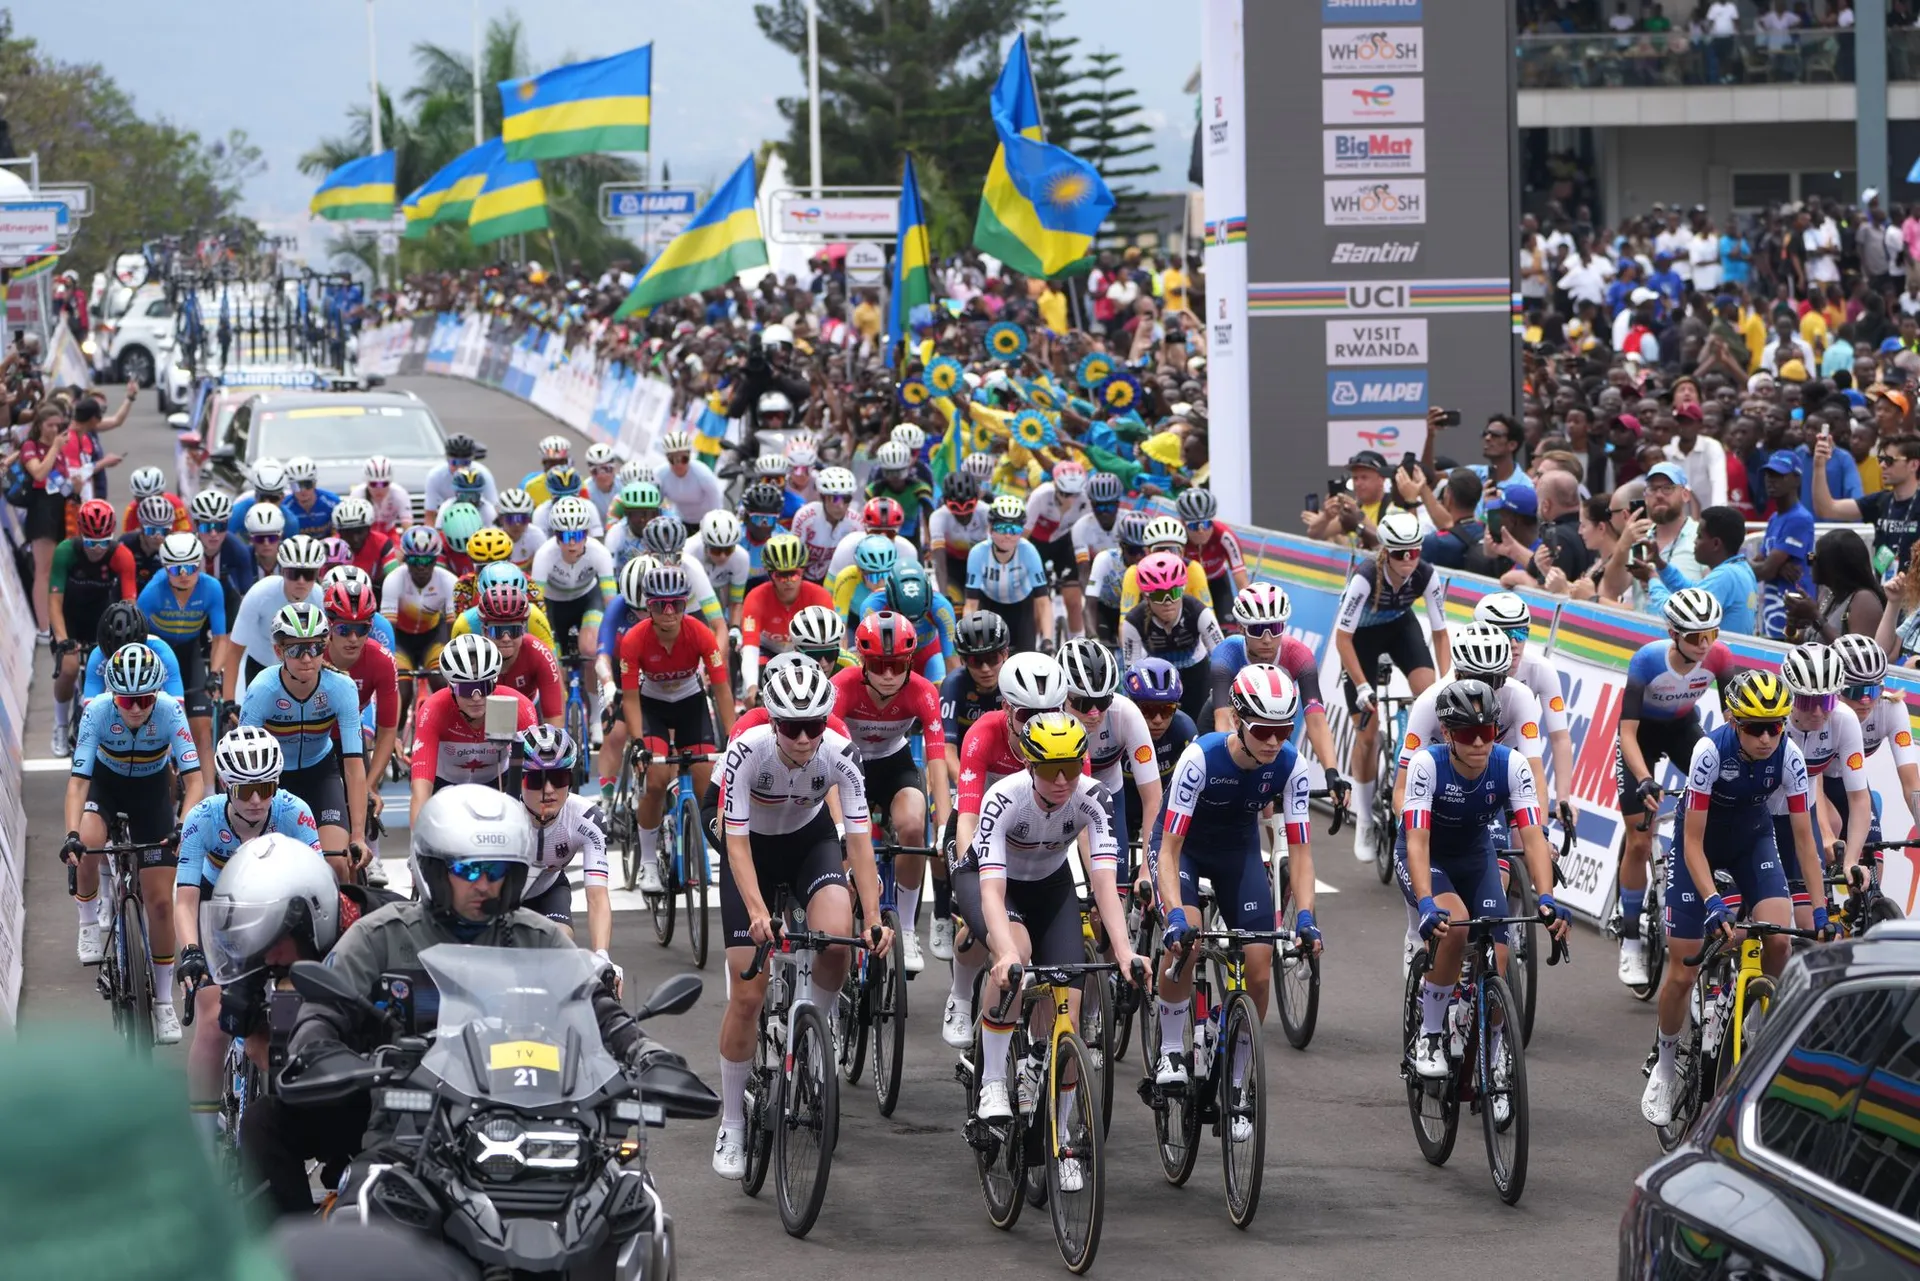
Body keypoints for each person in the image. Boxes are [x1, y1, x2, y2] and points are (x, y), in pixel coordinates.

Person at [266, 786, 657, 1216]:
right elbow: (325, 1006)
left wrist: (642, 1049)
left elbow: (595, 1003)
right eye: (468, 871)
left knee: (630, 1209)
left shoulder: (537, 936)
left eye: (497, 871)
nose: (485, 885)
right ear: (433, 870)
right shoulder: (381, 937)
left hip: (531, 1124)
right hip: (411, 1133)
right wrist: (318, 1047)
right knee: (355, 1210)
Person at [711, 660, 888, 1180]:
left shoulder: (840, 752)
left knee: (837, 938)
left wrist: (872, 917)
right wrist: (758, 911)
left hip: (809, 842)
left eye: (814, 724)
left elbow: (860, 841)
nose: (805, 737)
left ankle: (812, 1034)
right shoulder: (747, 750)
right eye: (792, 726)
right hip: (751, 849)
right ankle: (732, 1121)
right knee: (748, 993)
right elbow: (735, 844)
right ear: (773, 722)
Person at [1640, 670, 1831, 1129]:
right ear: (1733, 720)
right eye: (1755, 727)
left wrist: (1823, 908)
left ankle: (1757, 1018)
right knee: (1683, 970)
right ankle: (1664, 1066)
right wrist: (1711, 900)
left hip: (1752, 840)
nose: (1767, 737)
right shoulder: (1709, 751)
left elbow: (1805, 840)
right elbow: (1691, 843)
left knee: (1780, 939)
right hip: (1700, 844)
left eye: (1775, 726)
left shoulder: (1789, 755)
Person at [965, 710, 1136, 1189]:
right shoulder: (1005, 798)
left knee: (1069, 1014)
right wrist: (1004, 953)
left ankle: (1062, 1137)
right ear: (1028, 764)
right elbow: (992, 893)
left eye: (1072, 767)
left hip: (1050, 885)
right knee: (1017, 956)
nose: (1062, 780)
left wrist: (1125, 954)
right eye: (1050, 769)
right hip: (991, 884)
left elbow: (1104, 886)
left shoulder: (1093, 798)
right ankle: (992, 1081)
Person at [1151, 666, 1321, 1094]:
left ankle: (1240, 1077)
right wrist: (1174, 915)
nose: (1273, 742)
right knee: (1186, 941)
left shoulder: (1291, 765)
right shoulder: (1201, 757)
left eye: (1283, 731)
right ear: (1240, 721)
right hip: (1184, 849)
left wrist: (1305, 916)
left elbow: (1301, 853)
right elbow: (1168, 850)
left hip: (1237, 852)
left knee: (1259, 971)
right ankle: (1170, 1046)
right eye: (1263, 730)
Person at [1399, 680, 1567, 1084]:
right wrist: (1425, 902)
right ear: (1447, 734)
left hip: (1476, 856)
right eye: (1467, 733)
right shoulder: (1426, 765)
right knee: (1455, 925)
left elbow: (1532, 838)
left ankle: (1495, 1049)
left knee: (1499, 954)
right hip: (1427, 856)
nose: (1479, 742)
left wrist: (1545, 897)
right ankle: (1431, 1033)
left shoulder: (1511, 765)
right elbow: (1417, 842)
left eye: (1487, 731)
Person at [172, 727, 322, 1139]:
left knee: (291, 1014)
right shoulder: (202, 818)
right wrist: (190, 951)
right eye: (245, 790)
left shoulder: (294, 812)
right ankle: (202, 1140)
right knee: (212, 1019)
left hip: (274, 908)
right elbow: (185, 901)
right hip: (216, 908)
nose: (256, 800)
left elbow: (319, 887)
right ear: (226, 785)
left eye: (266, 788)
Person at [61, 643, 207, 1043]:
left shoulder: (170, 712)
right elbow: (78, 784)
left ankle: (162, 1002)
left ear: (157, 694)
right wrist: (71, 834)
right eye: (128, 700)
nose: (137, 708)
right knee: (88, 845)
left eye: (145, 699)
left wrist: (182, 825)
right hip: (105, 788)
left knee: (160, 903)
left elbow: (194, 781)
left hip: (151, 794)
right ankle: (88, 921)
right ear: (114, 695)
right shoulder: (97, 711)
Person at [1613, 588, 1735, 989]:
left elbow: (1735, 719)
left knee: (1724, 790)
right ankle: (1631, 938)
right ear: (1673, 633)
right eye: (1695, 637)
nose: (1705, 645)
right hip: (1641, 738)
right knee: (1639, 840)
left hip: (1683, 729)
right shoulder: (1647, 660)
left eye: (1711, 634)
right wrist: (1644, 779)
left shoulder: (1719, 656)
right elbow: (1627, 733)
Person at [831, 611, 951, 972]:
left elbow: (936, 760)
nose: (888, 675)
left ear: (910, 662)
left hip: (893, 763)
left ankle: (909, 928)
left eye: (897, 665)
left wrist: (943, 826)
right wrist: (840, 827)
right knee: (848, 841)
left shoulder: (923, 692)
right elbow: (828, 757)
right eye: (878, 665)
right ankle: (845, 933)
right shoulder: (841, 686)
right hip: (846, 766)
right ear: (862, 661)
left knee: (913, 826)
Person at [1332, 511, 1451, 853]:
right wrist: (1362, 685)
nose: (1408, 560)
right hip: (1360, 640)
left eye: (1415, 552)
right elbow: (1342, 638)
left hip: (1400, 628)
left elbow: (1440, 634)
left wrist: (1446, 682)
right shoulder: (1366, 577)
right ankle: (1365, 820)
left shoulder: (1426, 574)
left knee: (1430, 694)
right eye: (1400, 553)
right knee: (1368, 734)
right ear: (1386, 552)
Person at [619, 563, 734, 893]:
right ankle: (648, 863)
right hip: (651, 705)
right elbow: (630, 698)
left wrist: (733, 735)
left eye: (677, 604)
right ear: (648, 607)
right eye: (660, 605)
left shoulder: (700, 634)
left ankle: (711, 848)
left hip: (690, 704)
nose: (669, 612)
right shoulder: (634, 639)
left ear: (686, 604)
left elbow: (722, 689)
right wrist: (638, 742)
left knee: (706, 783)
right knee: (655, 782)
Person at [239, 601, 370, 882]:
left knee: (337, 863)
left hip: (320, 775)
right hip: (272, 781)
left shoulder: (342, 688)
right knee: (270, 869)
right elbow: (242, 764)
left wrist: (358, 835)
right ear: (279, 652)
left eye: (315, 648)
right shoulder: (262, 689)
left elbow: (353, 765)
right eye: (296, 650)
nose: (307, 658)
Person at [407, 633, 539, 819]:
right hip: (444, 786)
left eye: (484, 687)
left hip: (498, 784)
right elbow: (421, 792)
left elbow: (536, 780)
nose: (476, 697)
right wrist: (418, 836)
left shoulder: (519, 706)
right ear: (451, 687)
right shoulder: (433, 710)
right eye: (467, 689)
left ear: (494, 683)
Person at [137, 531, 231, 784]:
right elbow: (136, 638)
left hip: (190, 654)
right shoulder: (152, 591)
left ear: (200, 564)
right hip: (158, 655)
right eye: (175, 569)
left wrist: (214, 673)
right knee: (162, 731)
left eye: (190, 567)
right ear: (164, 568)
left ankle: (209, 794)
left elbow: (220, 638)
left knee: (202, 731)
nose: (183, 574)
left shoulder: (211, 588)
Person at [515, 725, 613, 960]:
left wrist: (602, 956)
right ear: (519, 780)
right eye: (536, 780)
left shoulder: (588, 818)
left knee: (559, 944)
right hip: (499, 897)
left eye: (559, 778)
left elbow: (597, 897)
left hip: (548, 891)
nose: (549, 790)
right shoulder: (498, 814)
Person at [48, 498, 137, 754]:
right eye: (91, 542)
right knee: (69, 668)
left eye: (103, 542)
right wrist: (63, 640)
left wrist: (123, 639)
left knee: (112, 672)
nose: (97, 549)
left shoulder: (122, 555)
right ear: (80, 534)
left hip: (104, 622)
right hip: (70, 620)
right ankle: (61, 724)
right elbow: (54, 602)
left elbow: (130, 605)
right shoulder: (65, 551)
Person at [1640, 504, 1761, 636]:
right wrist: (1660, 564)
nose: (1695, 541)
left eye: (1699, 536)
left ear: (1716, 544)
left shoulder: (1725, 576)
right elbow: (1693, 592)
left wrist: (1652, 579)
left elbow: (1676, 614)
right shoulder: (1742, 568)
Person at [1813, 430, 1920, 576]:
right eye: (1881, 459)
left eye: (1889, 460)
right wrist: (1819, 465)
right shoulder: (1880, 501)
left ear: (1913, 465)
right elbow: (1826, 509)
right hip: (1885, 586)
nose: (1882, 465)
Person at [965, 493, 1056, 654]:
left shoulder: (1029, 551)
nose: (1008, 535)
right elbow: (971, 605)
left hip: (1021, 610)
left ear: (1022, 531)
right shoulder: (977, 553)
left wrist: (1048, 640)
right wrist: (969, 636)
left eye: (1014, 529)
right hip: (989, 607)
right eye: (1002, 528)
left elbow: (1043, 601)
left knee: (1025, 660)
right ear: (990, 528)